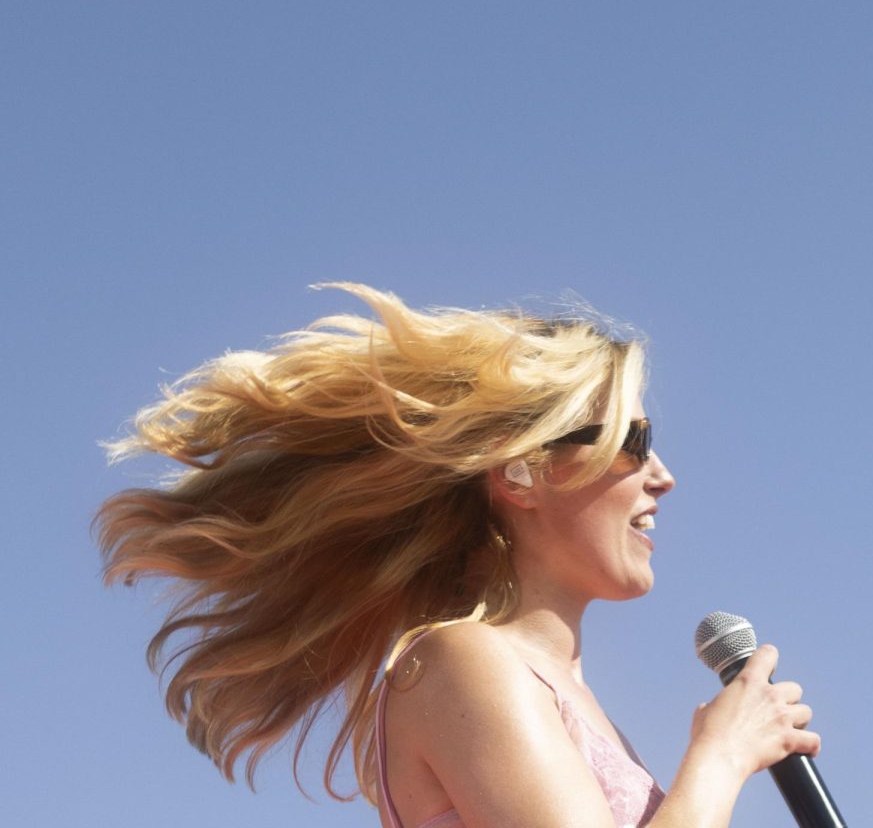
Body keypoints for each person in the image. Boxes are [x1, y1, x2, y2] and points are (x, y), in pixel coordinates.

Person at [93, 282, 819, 828]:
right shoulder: (462, 662)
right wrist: (720, 756)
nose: (662, 474)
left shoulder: (555, 691)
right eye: (631, 442)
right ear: (521, 473)